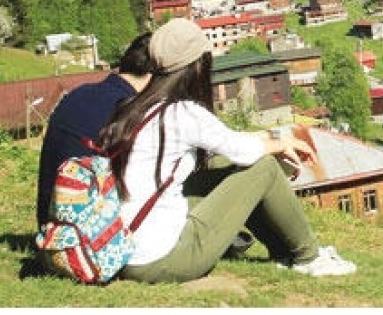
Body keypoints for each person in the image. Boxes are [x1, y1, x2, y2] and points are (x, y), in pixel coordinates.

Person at [100, 18, 354, 282]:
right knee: (262, 167)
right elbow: (242, 150)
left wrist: (270, 142)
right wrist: (279, 143)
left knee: (229, 169)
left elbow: (226, 145)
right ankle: (309, 257)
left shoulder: (134, 108)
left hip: (125, 251)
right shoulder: (182, 113)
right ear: (197, 66)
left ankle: (284, 253)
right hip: (164, 258)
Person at [36, 32, 156, 226]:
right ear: (154, 76)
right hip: (93, 240)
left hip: (51, 230)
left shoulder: (78, 93)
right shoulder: (130, 111)